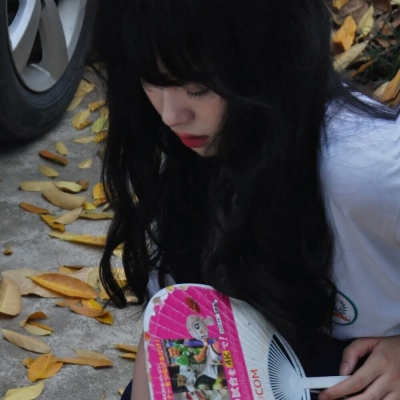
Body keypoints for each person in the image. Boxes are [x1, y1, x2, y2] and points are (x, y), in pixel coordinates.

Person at [92, 0, 400, 399]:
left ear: (274, 59)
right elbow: (178, 331)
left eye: (197, 87)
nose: (170, 115)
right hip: (277, 354)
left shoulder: (366, 170)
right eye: (152, 81)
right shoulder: (189, 155)